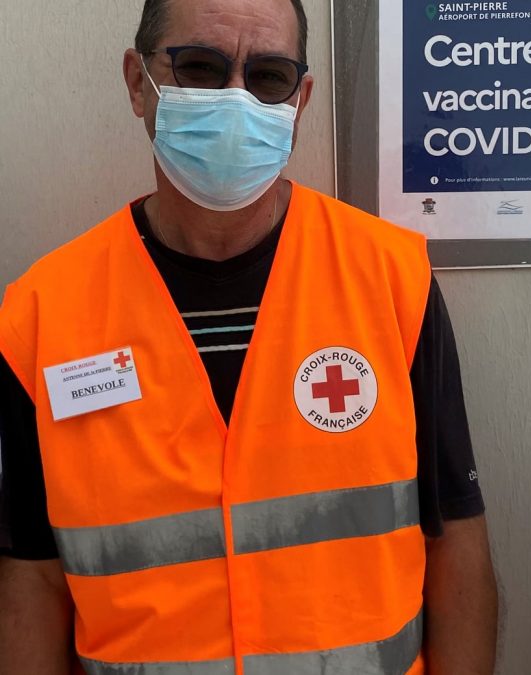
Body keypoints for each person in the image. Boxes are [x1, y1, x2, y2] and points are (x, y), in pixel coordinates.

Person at [0, 1, 497, 673]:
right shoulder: (41, 314)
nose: (235, 99)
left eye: (267, 77)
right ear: (137, 81)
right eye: (200, 67)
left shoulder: (390, 280)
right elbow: (32, 577)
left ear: (301, 99)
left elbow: (455, 539)